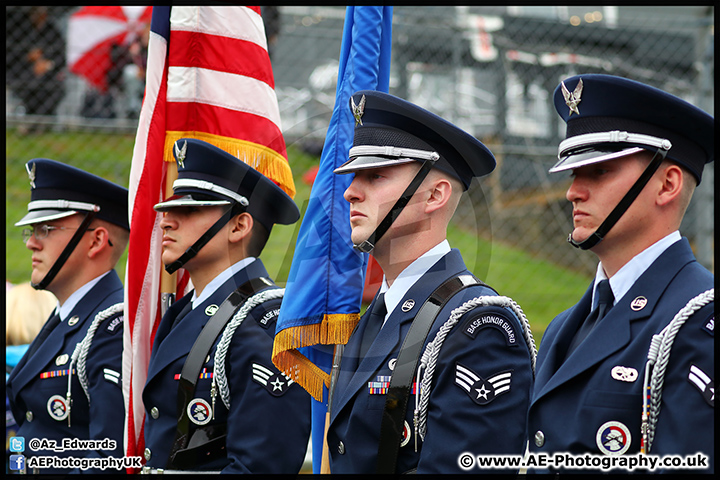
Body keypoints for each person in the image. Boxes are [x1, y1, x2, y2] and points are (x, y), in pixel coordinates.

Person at [326, 90, 536, 474]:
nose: (351, 191)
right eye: (355, 176)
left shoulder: (478, 328)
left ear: (435, 195)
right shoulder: (376, 315)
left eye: (375, 176)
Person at [527, 74, 714, 473]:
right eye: (574, 174)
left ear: (667, 184)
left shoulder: (699, 321)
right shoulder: (564, 327)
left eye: (598, 171)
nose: (572, 192)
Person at [141, 139, 311, 473]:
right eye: (168, 211)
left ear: (238, 226)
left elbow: (260, 466)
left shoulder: (264, 323)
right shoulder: (185, 311)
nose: (166, 222)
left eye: (188, 211)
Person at [6, 158, 130, 474]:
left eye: (47, 229)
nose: (32, 242)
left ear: (97, 240)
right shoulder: (71, 316)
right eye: (33, 230)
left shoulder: (111, 328)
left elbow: (107, 464)